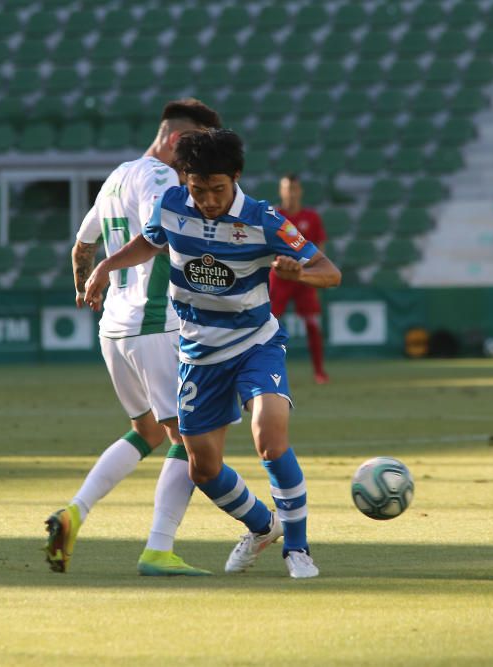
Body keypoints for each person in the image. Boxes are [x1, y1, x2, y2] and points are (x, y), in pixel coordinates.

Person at [83, 129, 341, 578]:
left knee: (270, 431)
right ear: (184, 180)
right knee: (202, 468)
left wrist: (300, 274)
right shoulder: (171, 206)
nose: (207, 200)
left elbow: (330, 272)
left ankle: (297, 549)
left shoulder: (263, 219)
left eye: (217, 189)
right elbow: (151, 240)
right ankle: (263, 526)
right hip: (199, 352)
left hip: (254, 343)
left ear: (236, 178)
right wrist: (107, 265)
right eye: (197, 189)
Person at [44, 99, 222, 576]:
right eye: (197, 149)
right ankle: (159, 549)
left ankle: (74, 511)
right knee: (192, 443)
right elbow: (156, 234)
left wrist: (87, 285)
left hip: (115, 332)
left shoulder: (117, 175)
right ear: (178, 142)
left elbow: (81, 243)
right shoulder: (161, 178)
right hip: (156, 324)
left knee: (147, 432)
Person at [270, 173, 329, 384]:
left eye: (294, 188)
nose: (291, 193)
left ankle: (319, 371)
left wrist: (315, 274)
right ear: (281, 191)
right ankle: (268, 370)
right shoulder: (275, 215)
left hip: (304, 278)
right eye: (287, 188)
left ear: (300, 191)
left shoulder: (311, 217)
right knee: (268, 325)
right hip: (280, 277)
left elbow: (320, 248)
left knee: (313, 325)